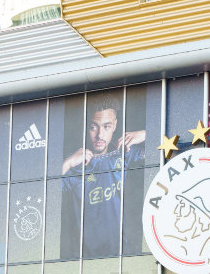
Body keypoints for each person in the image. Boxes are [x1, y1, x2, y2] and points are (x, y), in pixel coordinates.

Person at [60, 96, 147, 258]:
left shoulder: (124, 152)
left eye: (106, 126)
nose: (100, 135)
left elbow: (172, 144)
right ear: (86, 127)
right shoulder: (74, 163)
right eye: (94, 127)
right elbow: (42, 193)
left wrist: (145, 133)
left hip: (120, 252)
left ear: (115, 125)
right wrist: (68, 162)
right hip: (83, 257)